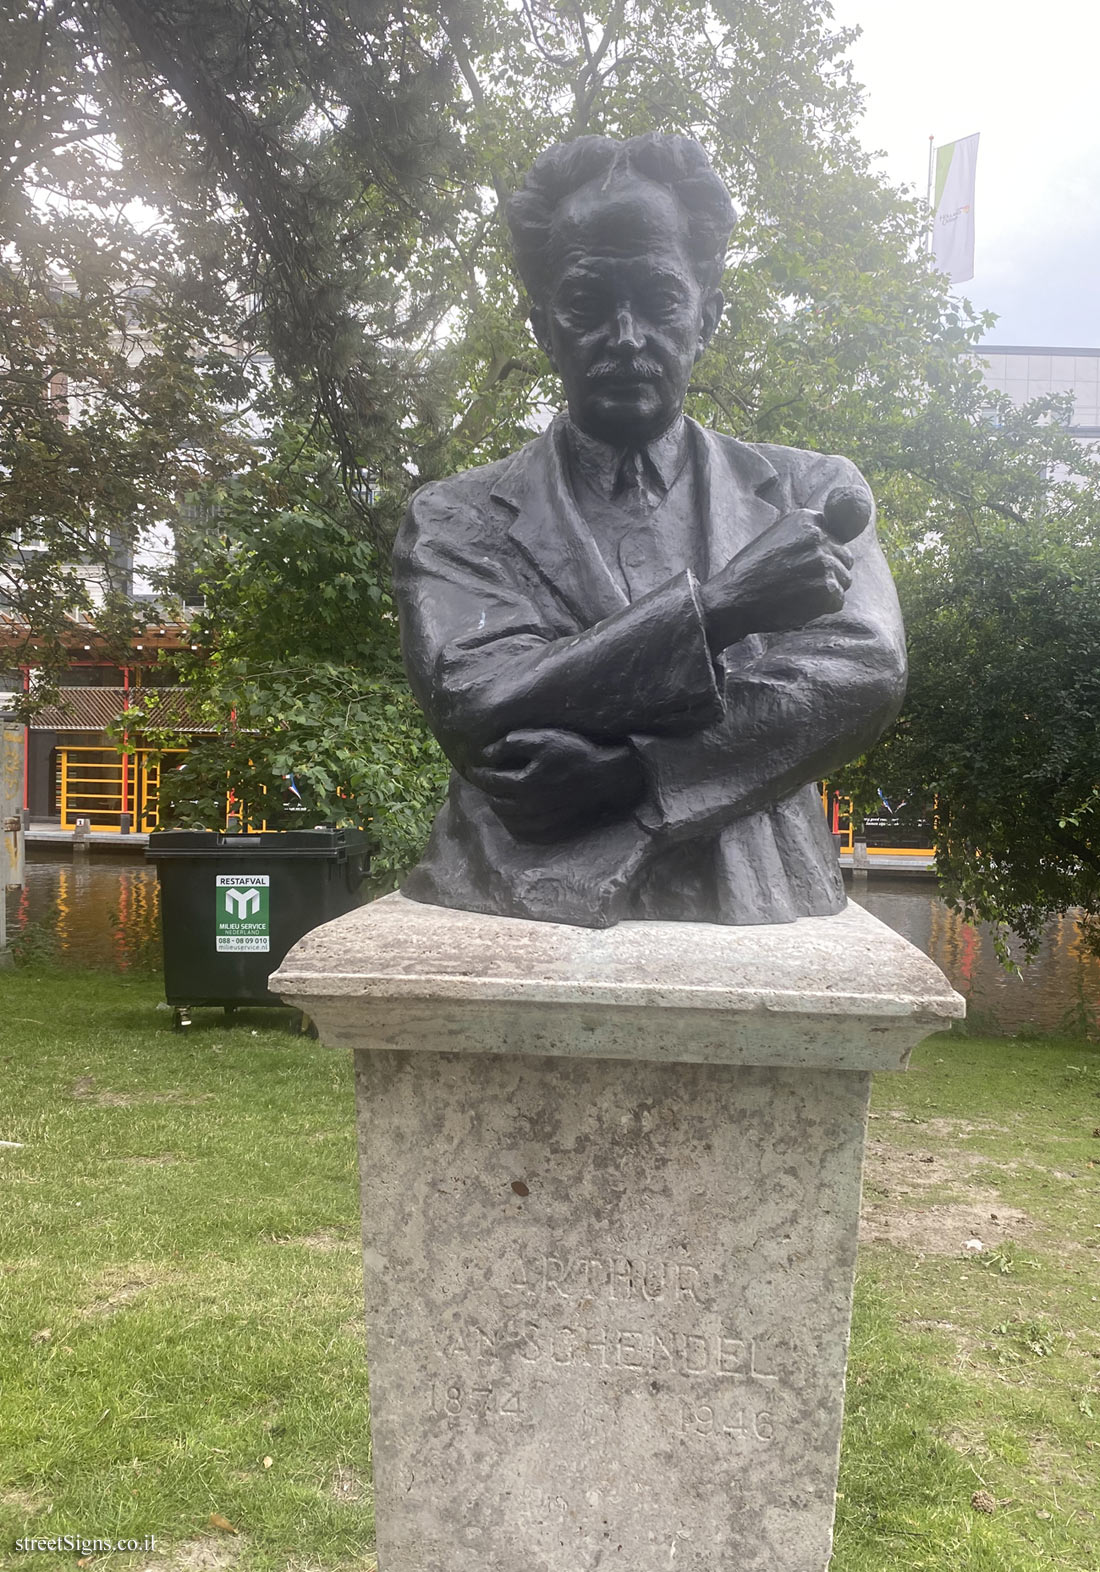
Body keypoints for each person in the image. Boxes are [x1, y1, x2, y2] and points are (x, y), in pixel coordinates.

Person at [393, 133, 906, 927]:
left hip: (759, 881)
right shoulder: (454, 517)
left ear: (707, 316)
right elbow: (481, 699)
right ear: (542, 327)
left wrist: (636, 774)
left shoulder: (811, 490)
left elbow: (861, 673)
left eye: (659, 302)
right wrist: (726, 606)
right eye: (589, 304)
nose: (626, 338)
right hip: (510, 877)